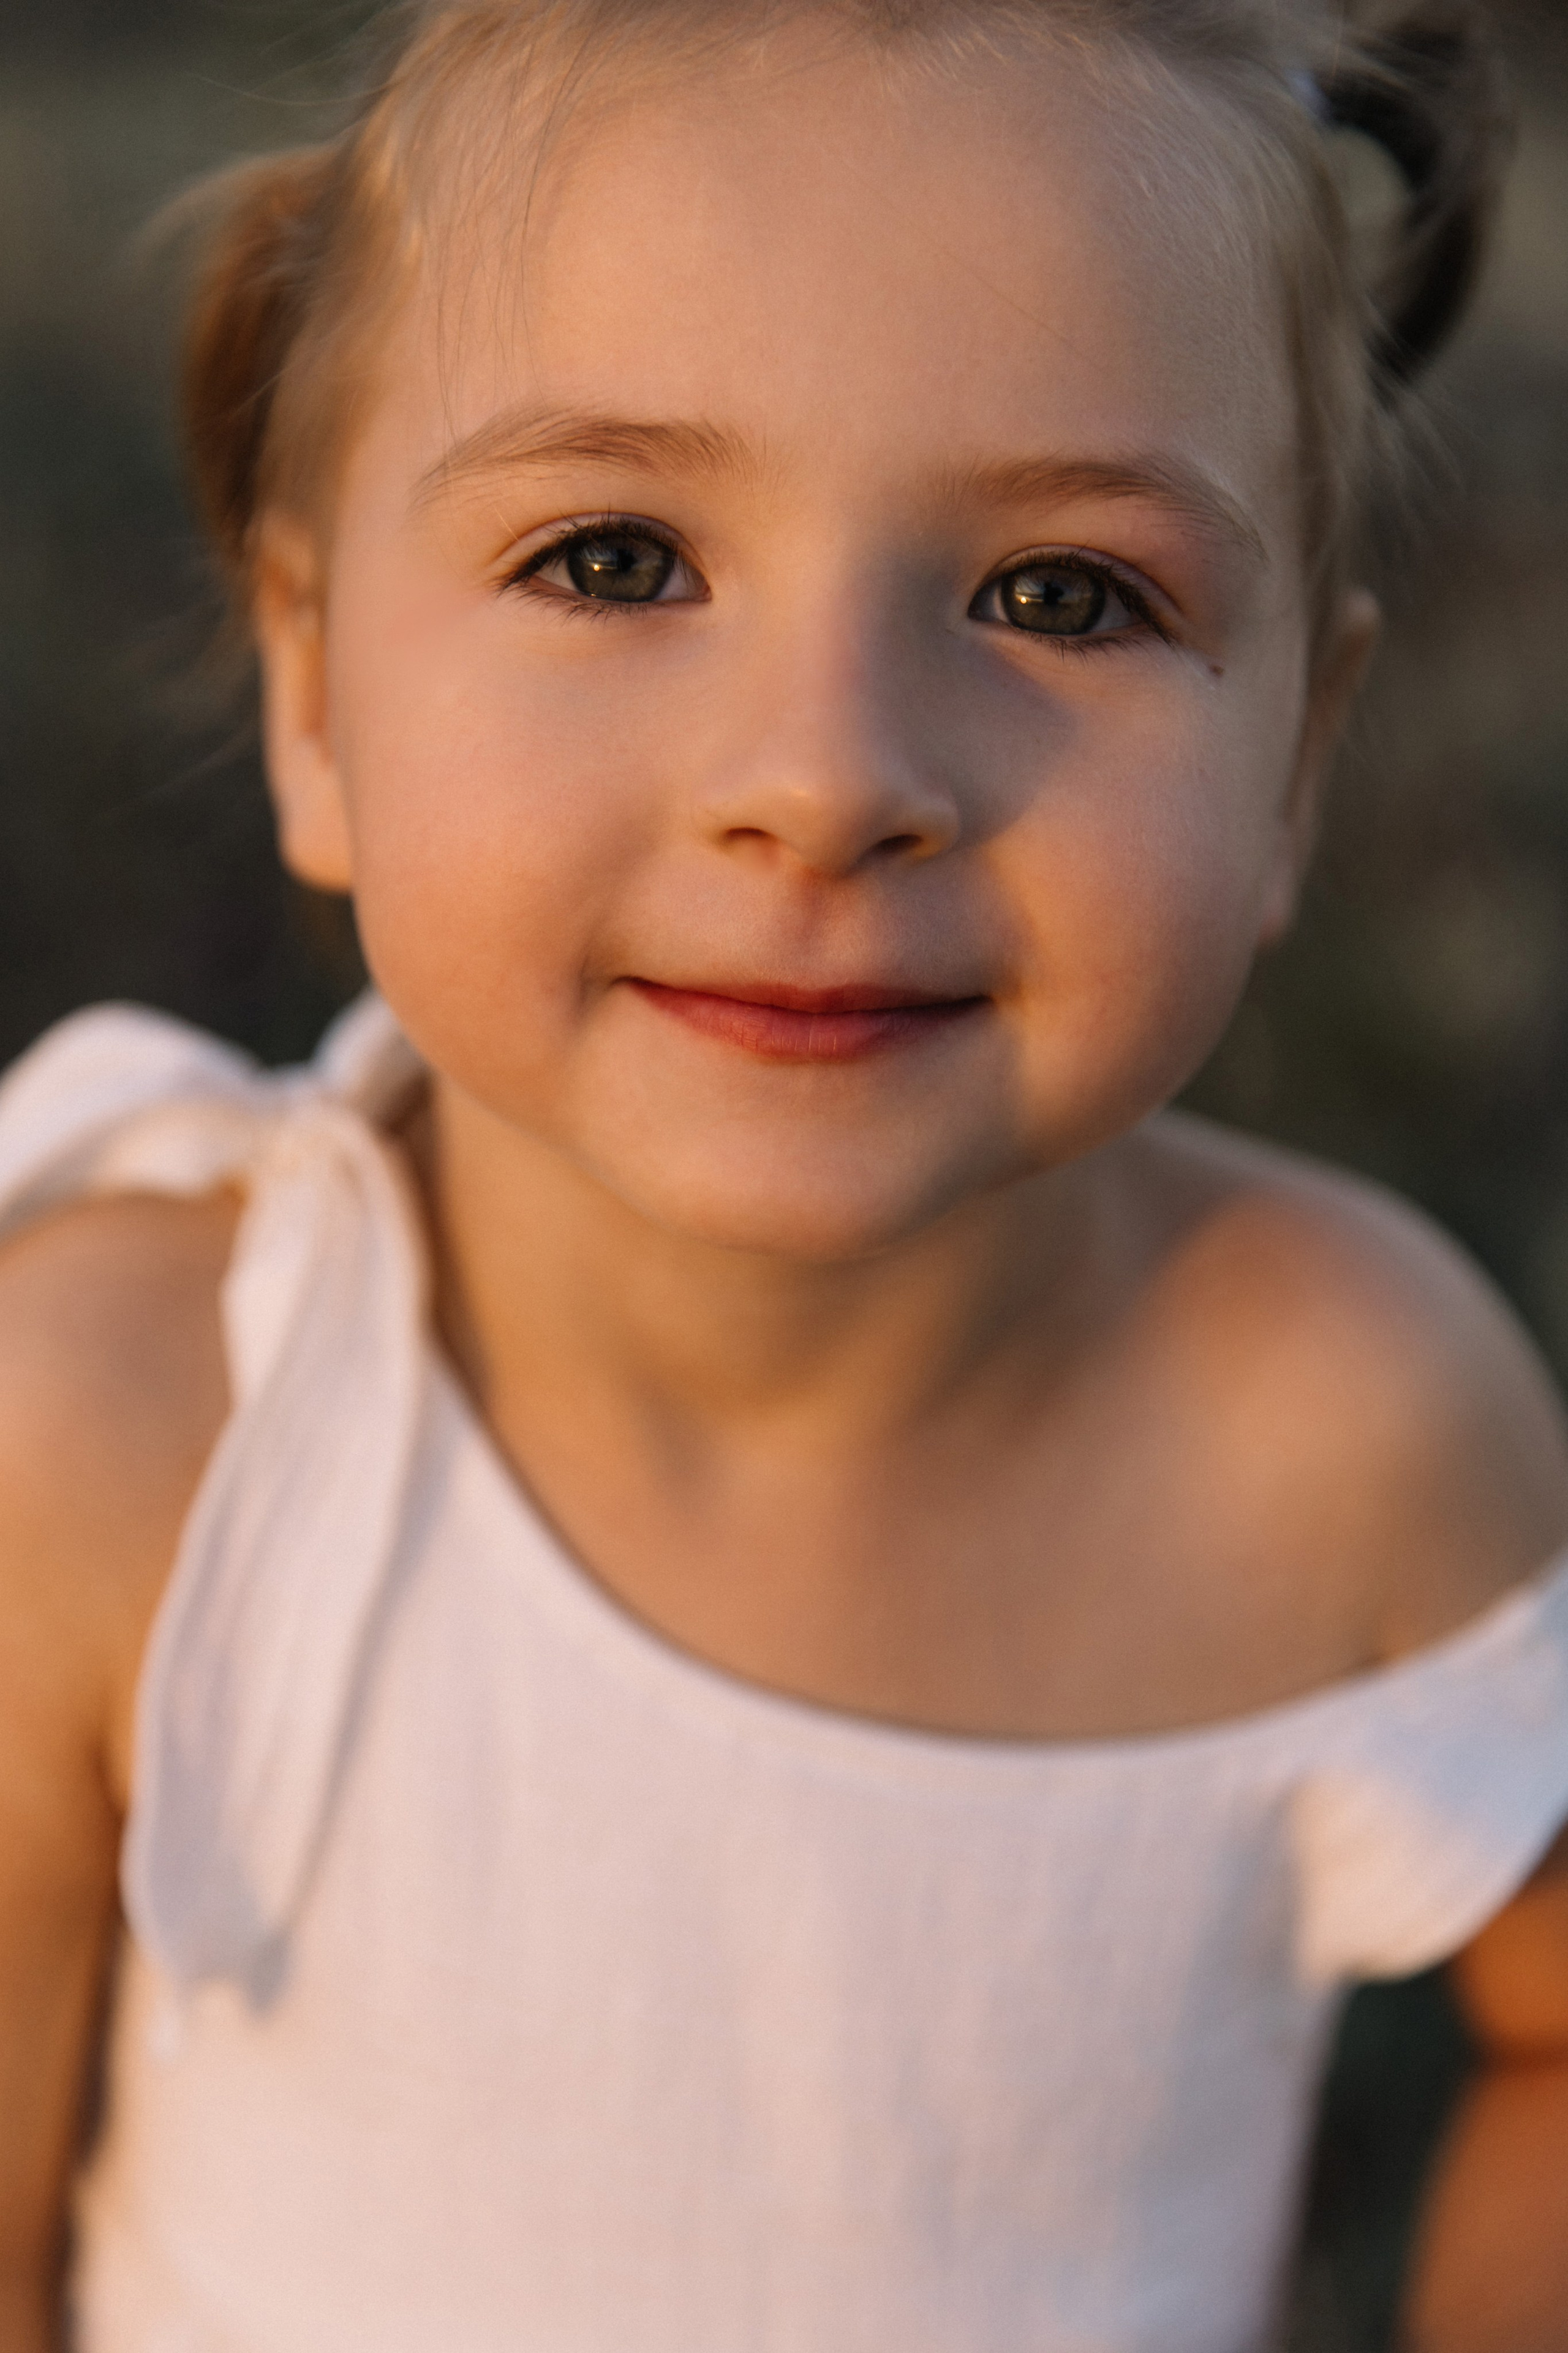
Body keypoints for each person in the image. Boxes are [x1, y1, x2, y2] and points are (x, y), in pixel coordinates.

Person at [2, 0, 1567, 2345]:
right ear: (316, 694)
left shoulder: (1342, 1429)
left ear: (1297, 760)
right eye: (618, 556)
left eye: (1063, 594)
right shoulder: (125, 1423)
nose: (828, 777)